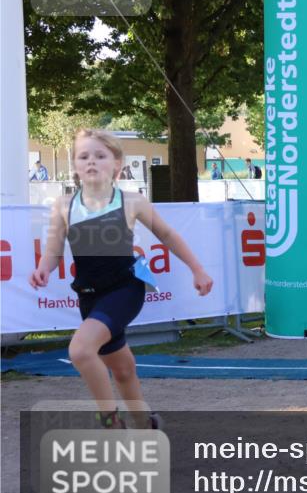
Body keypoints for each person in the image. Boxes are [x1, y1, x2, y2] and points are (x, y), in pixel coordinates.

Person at [29, 130, 213, 428]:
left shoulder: (131, 202)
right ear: (75, 164)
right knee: (123, 370)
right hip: (89, 296)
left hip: (125, 289)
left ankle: (110, 422)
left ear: (117, 164)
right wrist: (43, 269)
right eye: (83, 156)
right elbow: (53, 252)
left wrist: (198, 269)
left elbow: (167, 235)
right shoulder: (63, 205)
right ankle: (146, 425)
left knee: (80, 350)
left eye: (100, 156)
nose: (91, 161)